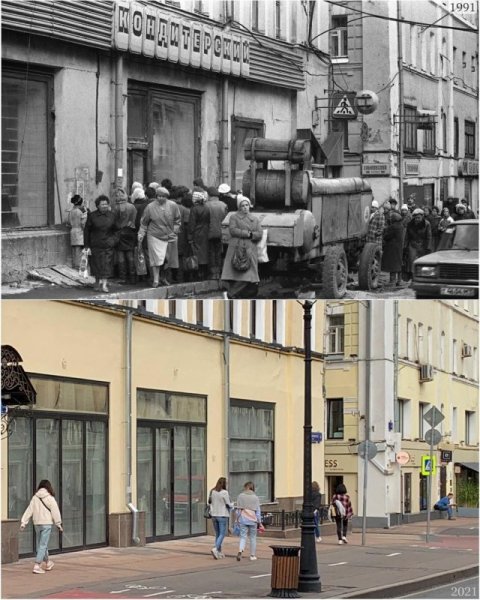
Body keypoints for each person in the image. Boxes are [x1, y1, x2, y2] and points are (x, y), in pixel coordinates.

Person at [220, 195, 263, 299]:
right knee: (238, 272)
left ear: (249, 206)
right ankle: (231, 294)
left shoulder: (255, 219)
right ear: (239, 207)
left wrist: (252, 235)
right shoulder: (234, 217)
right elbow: (233, 230)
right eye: (242, 205)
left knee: (249, 274)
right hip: (237, 247)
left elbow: (259, 233)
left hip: (250, 248)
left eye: (247, 205)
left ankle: (232, 294)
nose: (245, 207)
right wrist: (248, 234)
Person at [138, 187, 181, 287]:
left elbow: (177, 220)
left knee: (167, 259)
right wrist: (141, 234)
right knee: (156, 259)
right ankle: (156, 279)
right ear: (156, 196)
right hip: (154, 235)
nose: (160, 198)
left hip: (169, 235)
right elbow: (144, 222)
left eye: (163, 196)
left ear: (167, 197)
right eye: (159, 196)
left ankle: (163, 277)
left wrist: (176, 229)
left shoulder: (173, 205)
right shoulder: (150, 207)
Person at [20, 480, 63, 574]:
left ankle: (47, 563)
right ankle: (37, 565)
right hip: (47, 524)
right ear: (49, 487)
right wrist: (58, 523)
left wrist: (23, 522)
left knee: (42, 544)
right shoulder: (50, 498)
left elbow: (29, 510)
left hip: (37, 524)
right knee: (43, 545)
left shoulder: (35, 497)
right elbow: (55, 511)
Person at [84, 195, 119, 293]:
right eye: (102, 204)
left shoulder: (112, 215)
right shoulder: (92, 216)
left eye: (106, 204)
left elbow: (117, 230)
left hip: (108, 245)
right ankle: (97, 282)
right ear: (97, 206)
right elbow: (87, 231)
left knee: (106, 265)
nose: (105, 206)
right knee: (95, 265)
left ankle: (104, 285)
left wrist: (114, 240)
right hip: (95, 245)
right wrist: (86, 245)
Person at [113, 188, 137, 284]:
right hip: (130, 233)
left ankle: (123, 277)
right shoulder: (132, 207)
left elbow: (113, 222)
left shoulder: (115, 207)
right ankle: (133, 277)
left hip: (119, 233)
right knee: (130, 256)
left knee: (121, 257)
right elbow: (134, 220)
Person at [235, 481, 262, 561]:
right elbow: (258, 511)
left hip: (243, 518)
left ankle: (240, 550)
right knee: (253, 537)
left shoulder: (240, 496)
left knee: (243, 536)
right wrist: (259, 522)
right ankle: (252, 555)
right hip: (253, 519)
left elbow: (238, 510)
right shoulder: (255, 497)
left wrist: (237, 519)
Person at [188, 189, 210, 280]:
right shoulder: (206, 208)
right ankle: (204, 273)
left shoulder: (194, 209)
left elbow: (192, 224)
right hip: (205, 231)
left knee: (196, 253)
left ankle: (197, 273)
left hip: (197, 232)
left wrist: (189, 236)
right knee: (204, 253)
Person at [404, 208, 432, 281]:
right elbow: (407, 236)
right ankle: (412, 276)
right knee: (411, 260)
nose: (417, 219)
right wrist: (405, 246)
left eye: (419, 217)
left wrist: (428, 247)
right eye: (416, 218)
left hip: (422, 245)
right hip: (412, 244)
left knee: (421, 261)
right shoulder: (410, 224)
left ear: (422, 217)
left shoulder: (427, 224)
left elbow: (429, 236)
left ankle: (422, 276)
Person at [208, 477, 232, 559]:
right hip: (222, 514)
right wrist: (232, 505)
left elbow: (209, 502)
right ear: (224, 484)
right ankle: (215, 548)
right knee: (222, 534)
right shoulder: (224, 492)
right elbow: (228, 503)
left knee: (217, 534)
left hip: (214, 515)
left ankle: (219, 552)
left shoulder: (212, 491)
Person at [206, 187, 227, 279]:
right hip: (221, 232)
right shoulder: (223, 205)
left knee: (211, 252)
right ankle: (219, 272)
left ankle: (212, 273)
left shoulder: (206, 205)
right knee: (219, 252)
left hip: (209, 231)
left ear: (209, 195)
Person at [382, 211, 405, 286]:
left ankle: (392, 281)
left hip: (392, 247)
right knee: (399, 262)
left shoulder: (393, 227)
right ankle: (399, 280)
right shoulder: (401, 226)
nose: (390, 219)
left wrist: (385, 233)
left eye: (391, 218)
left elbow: (387, 236)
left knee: (392, 264)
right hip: (399, 246)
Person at [66, 194, 88, 269]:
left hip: (73, 231)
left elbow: (68, 222)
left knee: (74, 251)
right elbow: (83, 223)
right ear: (81, 202)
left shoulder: (71, 211)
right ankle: (79, 268)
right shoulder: (83, 211)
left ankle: (74, 267)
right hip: (80, 231)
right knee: (80, 251)